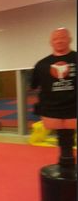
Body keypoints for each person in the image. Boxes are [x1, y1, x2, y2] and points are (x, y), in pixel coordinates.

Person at [31, 27, 77, 167]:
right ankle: (65, 159)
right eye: (55, 38)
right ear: (50, 42)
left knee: (68, 137)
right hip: (51, 110)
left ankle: (68, 159)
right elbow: (34, 86)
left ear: (70, 39)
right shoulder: (41, 64)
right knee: (62, 137)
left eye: (62, 37)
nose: (59, 41)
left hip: (74, 108)